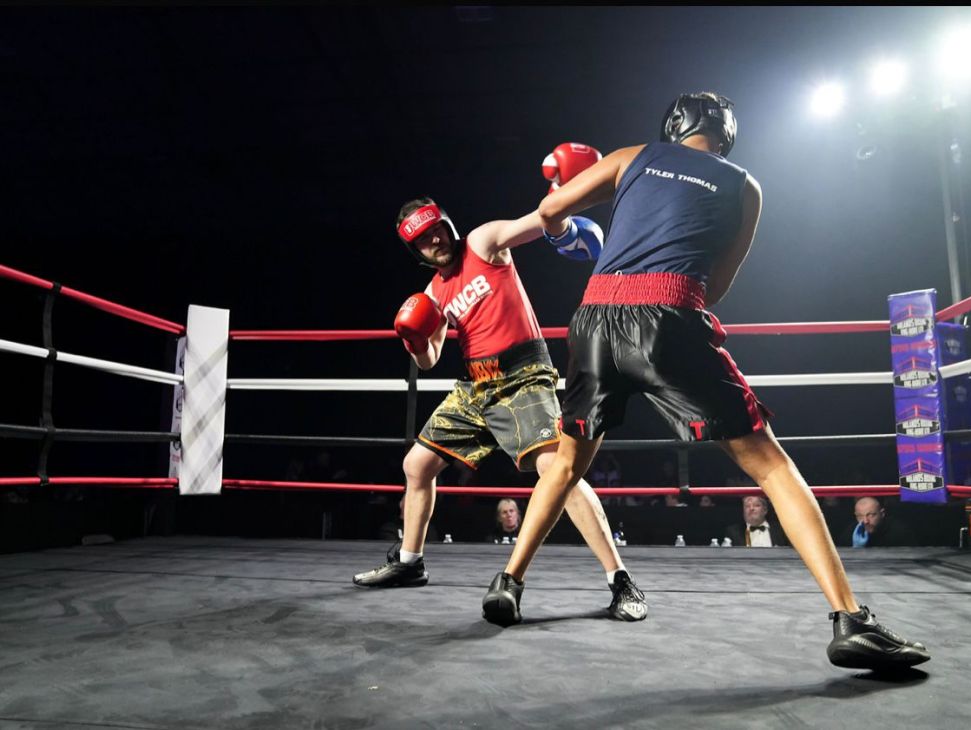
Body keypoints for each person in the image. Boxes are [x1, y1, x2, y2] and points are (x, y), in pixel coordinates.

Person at [482, 92, 928, 670]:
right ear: (726, 136)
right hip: (668, 315)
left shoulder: (631, 156)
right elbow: (714, 289)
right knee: (770, 466)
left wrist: (572, 234)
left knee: (566, 463)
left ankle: (509, 582)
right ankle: (851, 619)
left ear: (673, 125)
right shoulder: (745, 186)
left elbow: (549, 212)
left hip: (592, 318)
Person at [352, 194, 647, 622]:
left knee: (557, 470)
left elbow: (540, 220)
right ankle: (410, 562)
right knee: (416, 465)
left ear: (447, 225)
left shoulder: (483, 242)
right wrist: (413, 338)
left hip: (523, 376)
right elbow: (429, 359)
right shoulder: (433, 293)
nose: (434, 240)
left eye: (436, 229)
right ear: (415, 250)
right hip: (476, 386)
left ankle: (620, 580)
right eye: (423, 239)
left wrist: (563, 221)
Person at [845, 497, 914, 548]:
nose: (865, 521)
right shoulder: (852, 531)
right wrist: (856, 549)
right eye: (860, 516)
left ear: (882, 513)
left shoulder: (899, 531)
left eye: (871, 515)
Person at [724, 495, 789, 547]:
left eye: (756, 505)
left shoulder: (781, 530)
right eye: (747, 506)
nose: (751, 508)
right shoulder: (733, 532)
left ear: (765, 510)